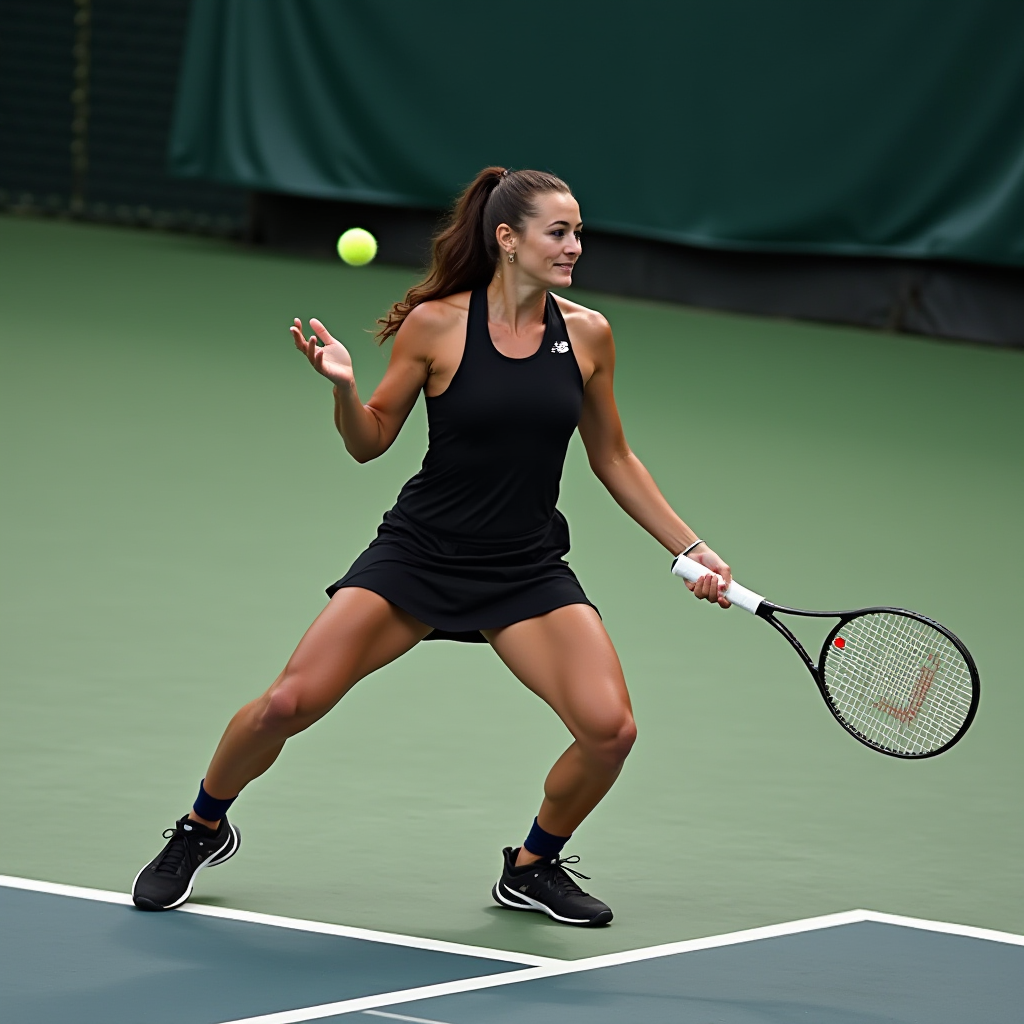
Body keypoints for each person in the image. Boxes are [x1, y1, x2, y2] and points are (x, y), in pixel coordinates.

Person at [131, 167, 732, 927]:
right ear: (507, 240)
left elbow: (613, 457)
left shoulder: (588, 335)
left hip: (523, 568)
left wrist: (692, 547)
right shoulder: (438, 325)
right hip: (418, 557)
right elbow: (368, 444)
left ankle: (532, 865)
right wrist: (345, 390)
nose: (575, 245)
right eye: (560, 231)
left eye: (579, 231)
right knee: (287, 703)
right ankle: (201, 828)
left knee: (610, 732)